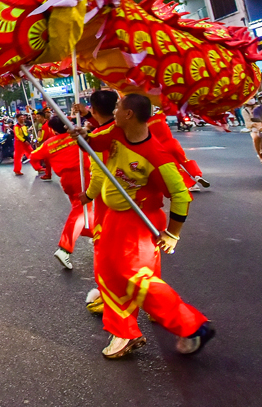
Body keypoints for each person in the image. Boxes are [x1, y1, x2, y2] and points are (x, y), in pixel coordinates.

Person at [82, 94, 214, 359]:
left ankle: (191, 326)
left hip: (139, 220)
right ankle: (123, 328)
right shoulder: (115, 131)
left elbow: (181, 195)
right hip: (116, 218)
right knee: (107, 271)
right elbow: (94, 141)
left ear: (129, 114)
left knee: (134, 277)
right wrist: (80, 135)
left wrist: (173, 234)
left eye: (118, 108)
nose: (114, 111)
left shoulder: (157, 156)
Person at [30, 117, 88, 270]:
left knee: (85, 211)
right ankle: (65, 248)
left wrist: (38, 167)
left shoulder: (49, 143)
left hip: (66, 180)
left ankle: (98, 236)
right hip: (83, 176)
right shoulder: (78, 136)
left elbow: (33, 156)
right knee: (81, 212)